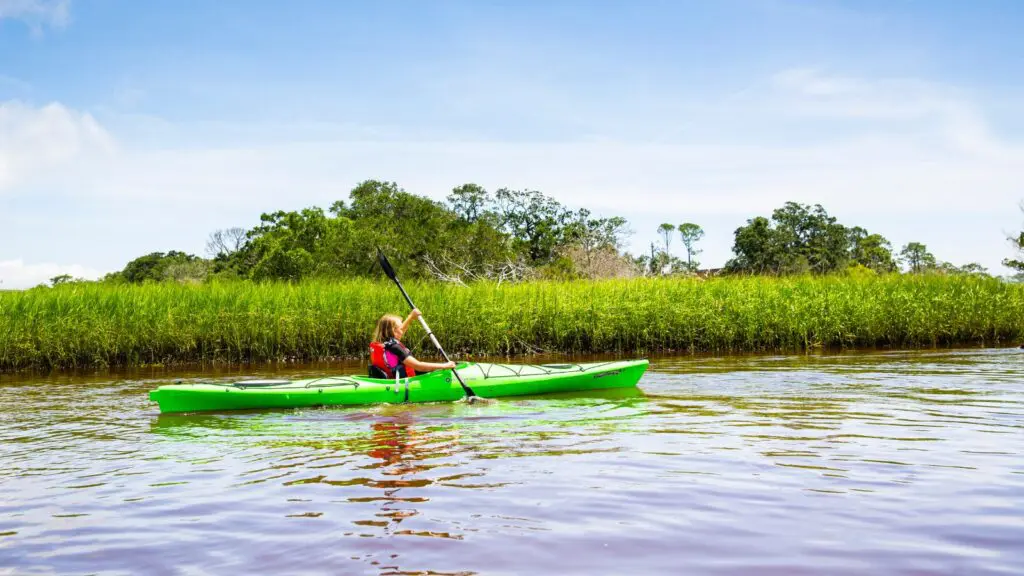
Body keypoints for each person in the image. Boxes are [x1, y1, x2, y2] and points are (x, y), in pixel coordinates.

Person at [369, 308, 456, 379]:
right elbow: (418, 366)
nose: (402, 331)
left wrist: (411, 317)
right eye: (400, 328)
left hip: (391, 379)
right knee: (436, 370)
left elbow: (400, 330)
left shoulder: (383, 344)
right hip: (403, 383)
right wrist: (444, 366)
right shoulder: (395, 348)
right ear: (393, 331)